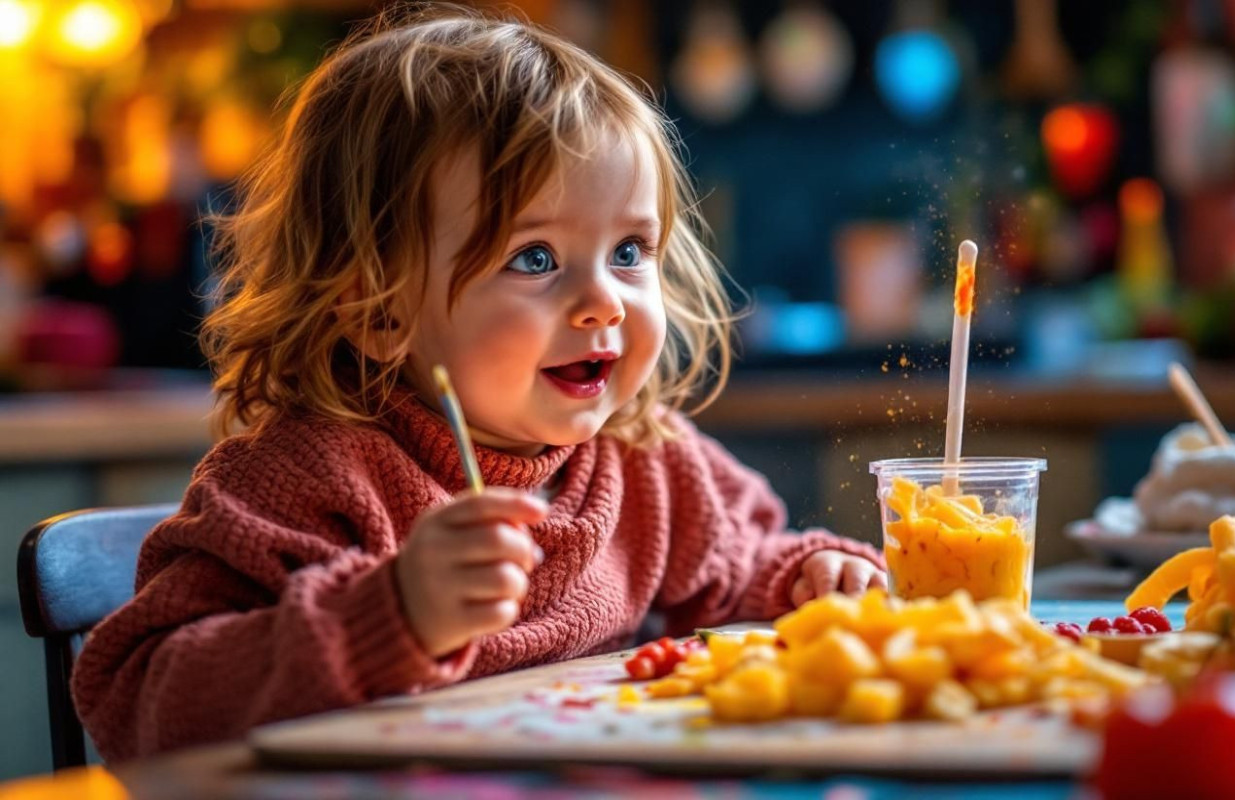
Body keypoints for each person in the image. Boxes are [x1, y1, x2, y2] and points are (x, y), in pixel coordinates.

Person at [72, 3, 883, 761]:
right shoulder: (308, 480)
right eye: (535, 258)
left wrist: (807, 577)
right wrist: (387, 616)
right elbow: (138, 699)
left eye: (631, 252)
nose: (606, 299)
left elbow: (741, 569)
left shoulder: (648, 461)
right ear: (378, 308)